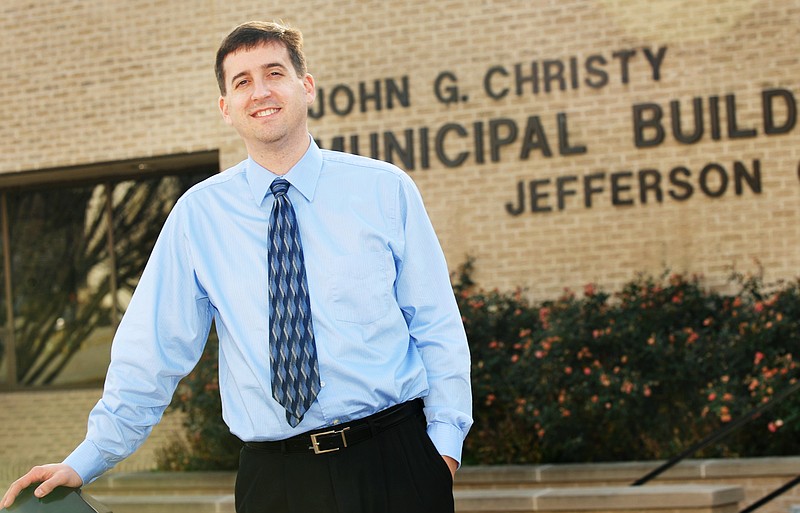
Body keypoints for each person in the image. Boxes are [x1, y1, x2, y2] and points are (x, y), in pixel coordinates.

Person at [1, 20, 472, 513]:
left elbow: (436, 324)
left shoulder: (383, 190)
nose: (260, 91)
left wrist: (442, 449)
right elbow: (151, 351)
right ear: (226, 108)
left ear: (305, 86)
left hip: (395, 464)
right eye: (242, 81)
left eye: (274, 72)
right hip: (275, 480)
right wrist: (87, 457)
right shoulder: (197, 217)